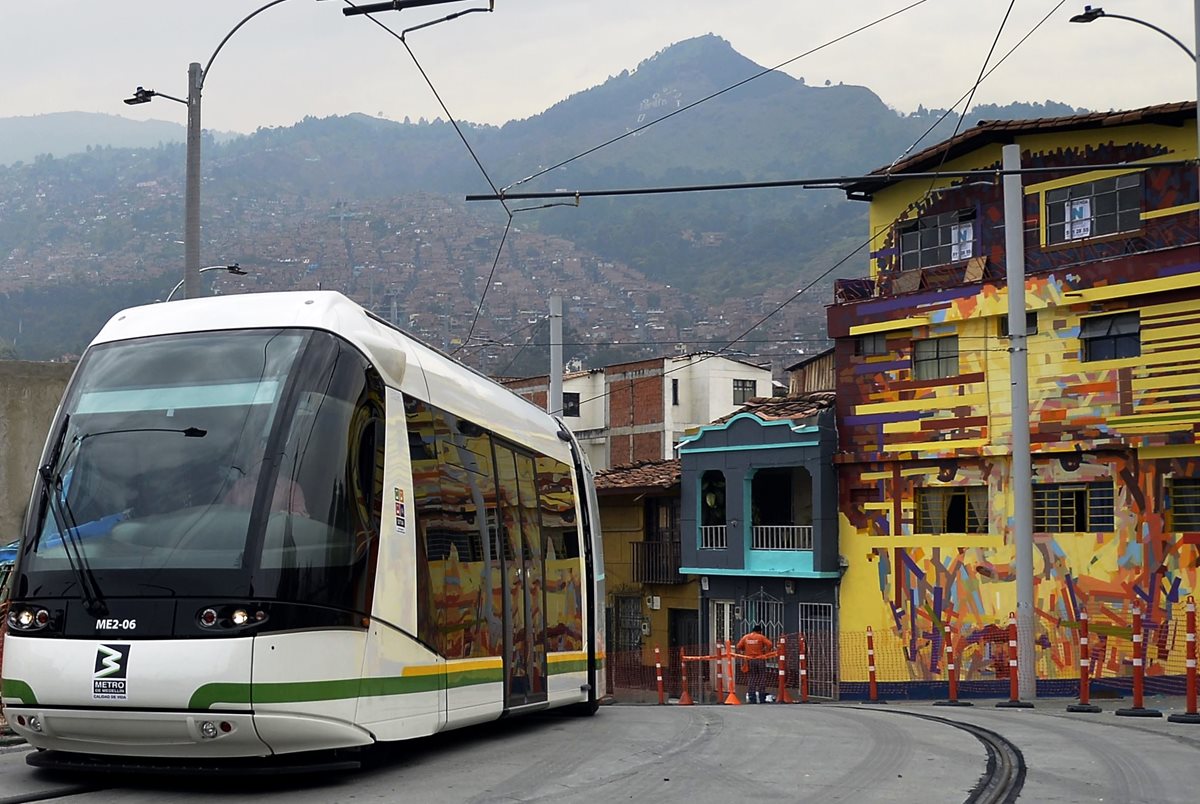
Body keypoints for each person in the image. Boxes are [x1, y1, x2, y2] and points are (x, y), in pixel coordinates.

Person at [736, 624, 775, 704]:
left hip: (749, 660)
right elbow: (770, 644)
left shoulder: (746, 637)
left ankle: (752, 697)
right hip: (760, 659)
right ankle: (761, 697)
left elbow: (739, 646)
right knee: (761, 677)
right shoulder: (760, 637)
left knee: (751, 677)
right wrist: (766, 652)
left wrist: (745, 649)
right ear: (759, 631)